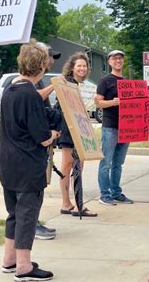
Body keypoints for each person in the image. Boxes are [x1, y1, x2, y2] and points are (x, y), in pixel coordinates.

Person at [0, 40, 60, 281]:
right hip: (27, 164)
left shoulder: (10, 90)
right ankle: (24, 266)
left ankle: (9, 259)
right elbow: (43, 137)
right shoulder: (30, 95)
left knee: (14, 212)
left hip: (7, 160)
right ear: (43, 66)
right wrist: (55, 133)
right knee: (27, 215)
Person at [57, 52, 97, 217]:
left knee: (79, 165)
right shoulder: (66, 83)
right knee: (67, 164)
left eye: (84, 65)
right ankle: (66, 203)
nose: (82, 68)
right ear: (72, 67)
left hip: (80, 127)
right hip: (68, 127)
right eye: (79, 65)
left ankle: (77, 202)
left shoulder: (85, 86)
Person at [94, 50, 134, 205]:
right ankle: (104, 195)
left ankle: (116, 192)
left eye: (121, 58)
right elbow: (98, 103)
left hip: (126, 127)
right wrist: (113, 102)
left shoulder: (127, 82)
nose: (118, 60)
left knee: (118, 164)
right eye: (115, 58)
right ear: (109, 62)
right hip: (110, 127)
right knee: (106, 163)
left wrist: (144, 98)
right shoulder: (105, 81)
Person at [34, 42, 61, 240]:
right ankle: (32, 225)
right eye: (50, 56)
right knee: (33, 187)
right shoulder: (29, 82)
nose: (52, 60)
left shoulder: (40, 79)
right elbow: (33, 99)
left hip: (43, 139)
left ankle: (34, 221)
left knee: (40, 183)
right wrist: (56, 85)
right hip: (34, 143)